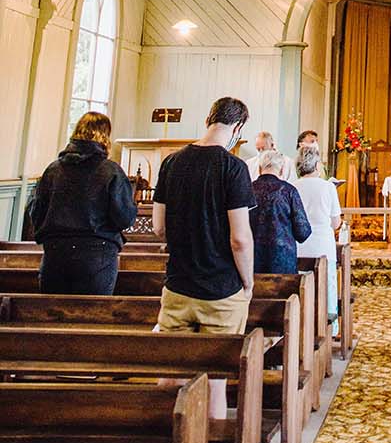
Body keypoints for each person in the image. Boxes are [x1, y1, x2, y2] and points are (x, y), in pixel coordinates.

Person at [152, 96, 255, 419]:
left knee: (170, 372)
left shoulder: (172, 162)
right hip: (221, 290)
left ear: (208, 119)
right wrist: (248, 282)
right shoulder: (233, 168)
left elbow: (158, 227)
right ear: (237, 127)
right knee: (215, 380)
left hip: (178, 285)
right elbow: (239, 239)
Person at [28, 111, 137, 294]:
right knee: (92, 316)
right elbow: (124, 218)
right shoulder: (111, 171)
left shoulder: (53, 170)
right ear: (105, 136)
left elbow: (36, 212)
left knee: (51, 317)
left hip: (56, 254)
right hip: (97, 256)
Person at [294, 141, 341, 328]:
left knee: (300, 286)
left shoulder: (292, 186)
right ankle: (329, 327)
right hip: (322, 244)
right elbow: (335, 222)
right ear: (316, 165)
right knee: (326, 285)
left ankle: (300, 325)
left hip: (299, 245)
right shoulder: (327, 187)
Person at [250, 149, 312, 273]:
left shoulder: (247, 189)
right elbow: (303, 232)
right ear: (282, 169)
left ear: (259, 169)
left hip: (251, 259)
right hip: (282, 261)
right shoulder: (289, 191)